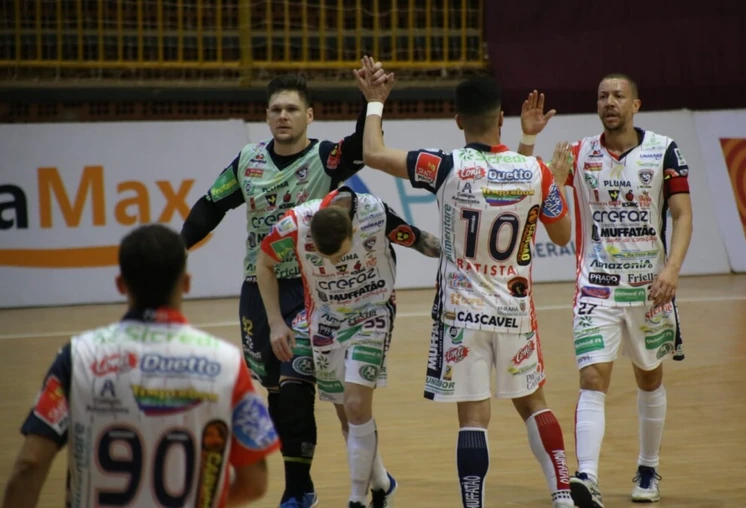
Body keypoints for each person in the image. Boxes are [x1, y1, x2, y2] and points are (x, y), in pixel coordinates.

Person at [355, 56, 577, 508]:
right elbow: (562, 234)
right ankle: (562, 495)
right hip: (515, 312)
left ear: (456, 120)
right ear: (501, 117)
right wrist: (546, 167)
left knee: (473, 418)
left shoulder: (445, 166)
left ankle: (473, 504)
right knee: (535, 404)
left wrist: (375, 102)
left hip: (460, 315)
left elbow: (374, 155)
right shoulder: (537, 172)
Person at [180, 71, 375, 507]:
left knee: (294, 387)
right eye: (275, 110)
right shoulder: (248, 160)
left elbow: (363, 147)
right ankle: (303, 481)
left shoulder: (326, 157)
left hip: (310, 288)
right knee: (275, 392)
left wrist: (370, 102)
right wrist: (178, 248)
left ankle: (298, 490)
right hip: (258, 287)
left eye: (291, 109)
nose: (283, 116)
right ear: (266, 117)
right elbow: (211, 206)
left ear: (309, 115)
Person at [1, 224, 280, 508]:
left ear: (121, 284)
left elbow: (29, 466)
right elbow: (255, 483)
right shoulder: (227, 364)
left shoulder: (77, 357)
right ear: (186, 282)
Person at [517, 74, 694, 506]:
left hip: (651, 292)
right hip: (596, 291)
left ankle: (648, 467)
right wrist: (546, 169)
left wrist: (671, 270)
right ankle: (587, 477)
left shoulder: (664, 149)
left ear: (636, 104)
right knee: (593, 378)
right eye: (602, 96)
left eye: (618, 96)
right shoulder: (578, 153)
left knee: (649, 378)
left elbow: (683, 215)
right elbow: (532, 199)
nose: (609, 102)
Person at [256, 186, 441, 508]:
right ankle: (382, 483)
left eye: (339, 254)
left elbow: (419, 240)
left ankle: (356, 499)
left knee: (356, 406)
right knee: (347, 415)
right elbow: (264, 263)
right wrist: (275, 322)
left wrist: (464, 254)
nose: (335, 263)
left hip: (373, 312)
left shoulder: (375, 213)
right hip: (325, 320)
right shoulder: (295, 224)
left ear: (354, 230)